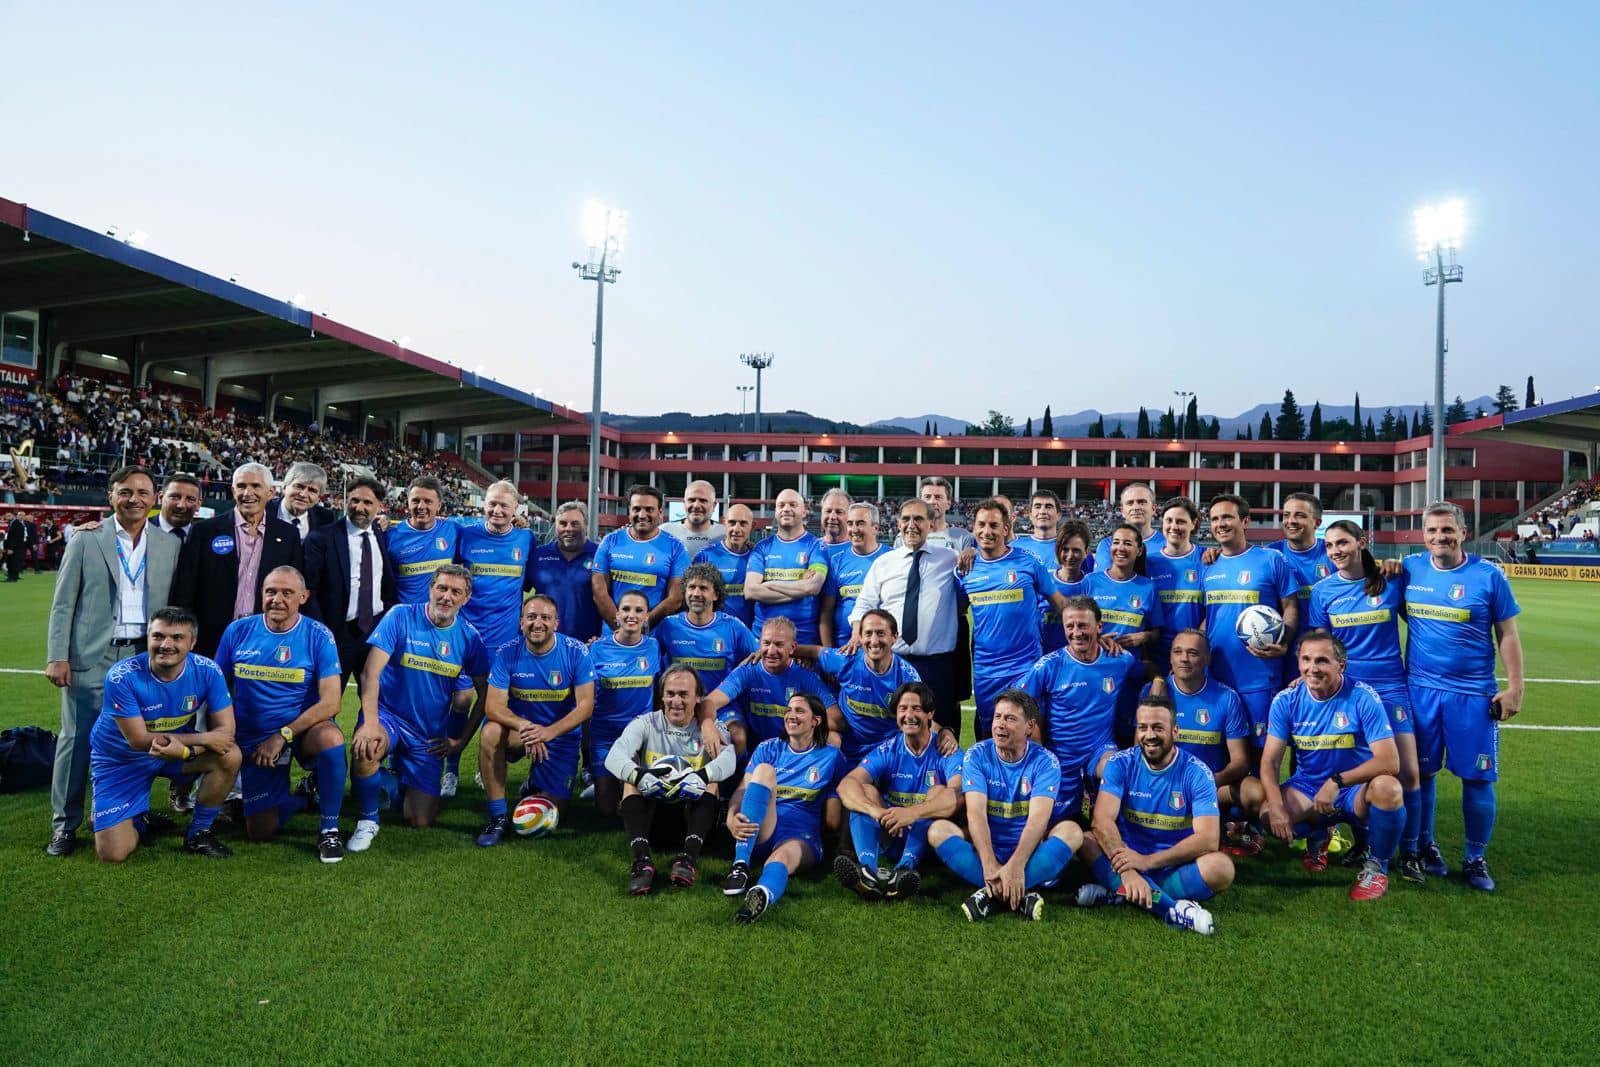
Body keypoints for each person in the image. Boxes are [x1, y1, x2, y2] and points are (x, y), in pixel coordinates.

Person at [44, 466, 181, 857]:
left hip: (145, 656)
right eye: (125, 491)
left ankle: (130, 814)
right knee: (77, 739)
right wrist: (58, 656)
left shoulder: (168, 544)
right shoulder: (87, 539)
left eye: (143, 492)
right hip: (94, 654)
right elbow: (63, 603)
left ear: (155, 499)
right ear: (110, 496)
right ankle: (65, 825)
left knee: (137, 740)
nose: (134, 498)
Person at [1401, 502, 1523, 891]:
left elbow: (1508, 634)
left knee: (1478, 778)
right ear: (1423, 535)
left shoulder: (1489, 576)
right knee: (1421, 773)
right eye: (1433, 530)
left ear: (1463, 533)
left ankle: (1474, 857)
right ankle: (1426, 846)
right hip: (1419, 691)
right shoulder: (1409, 569)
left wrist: (1516, 687)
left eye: (1447, 530)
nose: (1440, 537)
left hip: (1472, 694)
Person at [1243, 630, 1407, 901]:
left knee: (1388, 789)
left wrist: (1337, 781)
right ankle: (1321, 831)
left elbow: (1390, 761)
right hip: (1308, 786)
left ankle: (1376, 867)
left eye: (1322, 660)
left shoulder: (1362, 696)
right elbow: (1270, 762)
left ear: (1340, 665)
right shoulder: (1286, 700)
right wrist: (1278, 809)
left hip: (1354, 789)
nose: (1312, 668)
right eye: (1306, 659)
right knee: (1267, 814)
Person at [1306, 519, 1424, 882]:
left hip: (1390, 689)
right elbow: (1319, 645)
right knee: (1357, 767)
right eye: (1329, 546)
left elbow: (1420, 620)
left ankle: (1412, 852)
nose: (1336, 551)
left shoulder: (1390, 579)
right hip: (1348, 693)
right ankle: (1364, 843)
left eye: (1342, 542)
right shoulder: (1323, 591)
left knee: (1407, 773)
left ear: (1361, 541)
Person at [348, 564, 486, 851]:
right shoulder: (400, 616)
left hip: (428, 734)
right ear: (430, 589)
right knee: (367, 747)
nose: (447, 596)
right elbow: (370, 673)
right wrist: (371, 722)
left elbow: (485, 694)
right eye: (442, 588)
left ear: (466, 599)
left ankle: (391, 781)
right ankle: (368, 820)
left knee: (420, 819)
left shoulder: (470, 638)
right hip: (389, 717)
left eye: (455, 592)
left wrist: (460, 741)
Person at [213, 566, 347, 861]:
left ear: (303, 596)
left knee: (331, 738)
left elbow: (331, 703)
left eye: (287, 593)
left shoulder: (318, 635)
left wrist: (283, 735)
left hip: (300, 731)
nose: (277, 599)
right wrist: (225, 732)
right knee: (260, 832)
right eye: (270, 591)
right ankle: (302, 796)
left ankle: (329, 831)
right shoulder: (238, 630)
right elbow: (215, 686)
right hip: (255, 739)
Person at [88, 607, 242, 862]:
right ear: (148, 638)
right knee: (112, 854)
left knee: (230, 756)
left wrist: (185, 751)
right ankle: (139, 819)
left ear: (192, 642)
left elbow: (226, 733)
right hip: (121, 759)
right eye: (158, 636)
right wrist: (197, 743)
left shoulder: (208, 671)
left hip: (172, 752)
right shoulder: (121, 677)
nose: (165, 645)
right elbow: (138, 740)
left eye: (177, 638)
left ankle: (198, 833)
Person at [1074, 696, 1232, 934]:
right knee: (1085, 840)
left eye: (1158, 727)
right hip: (1126, 858)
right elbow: (1101, 821)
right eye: (1143, 727)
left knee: (1221, 868)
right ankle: (1171, 909)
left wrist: (1148, 862)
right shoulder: (1120, 764)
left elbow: (1208, 839)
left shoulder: (1197, 773)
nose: (1149, 735)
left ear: (1175, 731)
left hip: (1173, 862)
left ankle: (1120, 893)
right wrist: (1129, 871)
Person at [927, 690, 1081, 922]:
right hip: (986, 848)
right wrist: (989, 864)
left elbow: (1038, 821)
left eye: (1010, 719)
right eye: (998, 717)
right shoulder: (977, 755)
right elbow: (976, 815)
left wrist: (1017, 865)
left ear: (1029, 726)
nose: (1000, 724)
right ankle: (1019, 893)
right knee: (938, 831)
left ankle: (991, 893)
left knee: (1073, 832)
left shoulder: (1046, 762)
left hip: (1030, 852)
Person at [474, 594, 595, 846]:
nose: (537, 623)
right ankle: (497, 817)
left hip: (559, 737)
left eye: (545, 618)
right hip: (521, 732)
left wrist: (549, 732)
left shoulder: (576, 652)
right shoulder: (507, 653)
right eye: (531, 617)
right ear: (521, 622)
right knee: (491, 733)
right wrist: (526, 727)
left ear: (556, 624)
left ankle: (535, 783)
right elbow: (492, 706)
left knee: (554, 809)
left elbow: (586, 706)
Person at [605, 664, 736, 893]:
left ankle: (688, 859)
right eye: (670, 694)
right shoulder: (645, 723)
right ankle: (642, 862)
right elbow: (614, 756)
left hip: (692, 821)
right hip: (652, 818)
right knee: (629, 780)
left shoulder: (711, 728)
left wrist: (702, 775)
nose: (676, 701)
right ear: (662, 696)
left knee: (712, 782)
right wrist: (640, 775)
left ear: (698, 698)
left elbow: (730, 759)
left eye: (684, 694)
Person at [723, 693, 847, 924]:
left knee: (780, 860)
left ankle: (761, 894)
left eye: (800, 711)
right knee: (764, 771)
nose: (791, 715)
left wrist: (834, 843)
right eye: (789, 710)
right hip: (760, 829)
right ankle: (740, 865)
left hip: (800, 836)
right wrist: (731, 816)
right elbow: (742, 789)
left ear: (816, 721)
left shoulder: (832, 758)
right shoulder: (768, 748)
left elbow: (832, 819)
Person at [835, 681, 963, 900]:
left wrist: (913, 812)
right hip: (891, 830)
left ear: (930, 713)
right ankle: (867, 871)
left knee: (938, 791)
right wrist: (876, 811)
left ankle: (905, 869)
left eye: (917, 709)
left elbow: (957, 797)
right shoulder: (888, 749)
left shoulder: (947, 749)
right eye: (903, 709)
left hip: (928, 839)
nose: (909, 715)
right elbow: (846, 784)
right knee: (863, 790)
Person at [1018, 597, 1143, 814]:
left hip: (1100, 749)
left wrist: (1159, 681)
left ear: (1099, 627)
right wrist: (1037, 751)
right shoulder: (1049, 665)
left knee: (1116, 768)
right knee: (1055, 824)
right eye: (1070, 626)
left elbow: (1146, 671)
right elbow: (1020, 702)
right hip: (1061, 757)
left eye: (1083, 625)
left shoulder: (1119, 659)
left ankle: (1103, 815)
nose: (1077, 632)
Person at [959, 498, 1070, 740]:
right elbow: (957, 612)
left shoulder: (1028, 562)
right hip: (986, 670)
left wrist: (1091, 635)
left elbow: (1061, 605)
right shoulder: (965, 569)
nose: (986, 531)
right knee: (991, 736)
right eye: (981, 525)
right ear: (973, 528)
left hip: (1025, 665)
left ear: (1006, 529)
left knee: (1030, 732)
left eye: (994, 525)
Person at [849, 499, 962, 736]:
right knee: (894, 730)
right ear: (898, 524)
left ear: (931, 524)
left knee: (941, 733)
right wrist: (856, 634)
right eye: (906, 519)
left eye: (919, 519)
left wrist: (970, 551)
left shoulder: (951, 559)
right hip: (895, 663)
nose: (912, 525)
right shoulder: (884, 563)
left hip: (937, 664)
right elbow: (864, 604)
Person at [173, 461, 304, 658]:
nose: (247, 493)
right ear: (233, 491)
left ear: (271, 492)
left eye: (255, 486)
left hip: (266, 637)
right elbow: (186, 589)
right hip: (211, 638)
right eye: (242, 486)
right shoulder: (204, 531)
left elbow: (294, 589)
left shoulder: (288, 534)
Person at [1201, 494, 1298, 748]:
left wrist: (1284, 640)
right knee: (1219, 757)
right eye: (1214, 519)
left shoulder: (1270, 560)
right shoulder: (1207, 564)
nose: (1220, 523)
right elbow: (1207, 618)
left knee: (1261, 759)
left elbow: (1290, 606)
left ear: (1245, 521)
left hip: (1258, 677)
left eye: (1227, 517)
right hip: (1214, 679)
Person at [804, 608, 939, 762]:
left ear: (894, 637)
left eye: (881, 634)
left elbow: (922, 718)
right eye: (868, 634)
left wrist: (944, 733)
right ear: (860, 638)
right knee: (829, 740)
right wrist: (792, 654)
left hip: (885, 750)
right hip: (847, 742)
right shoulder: (847, 660)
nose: (874, 641)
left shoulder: (907, 676)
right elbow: (815, 651)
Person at [303, 475, 396, 695]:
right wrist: (323, 634)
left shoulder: (381, 535)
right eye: (354, 500)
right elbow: (309, 590)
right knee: (325, 701)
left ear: (379, 507)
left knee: (376, 701)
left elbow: (386, 582)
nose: (359, 507)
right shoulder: (321, 537)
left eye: (367, 503)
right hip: (337, 633)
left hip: (375, 631)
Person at [702, 617, 838, 753]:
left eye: (779, 645)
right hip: (756, 747)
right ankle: (736, 772)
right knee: (732, 734)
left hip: (792, 746)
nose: (771, 651)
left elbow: (837, 719)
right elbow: (710, 702)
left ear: (792, 648)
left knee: (832, 739)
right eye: (766, 643)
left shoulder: (805, 674)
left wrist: (799, 724)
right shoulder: (748, 669)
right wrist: (707, 724)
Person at [1144, 631, 1251, 797]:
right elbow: (1139, 752)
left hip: (1211, 786)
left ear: (1207, 659)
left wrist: (1210, 781)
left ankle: (1237, 821)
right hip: (1163, 785)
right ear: (1170, 658)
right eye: (1177, 652)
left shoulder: (1226, 697)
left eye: (1192, 653)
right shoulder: (1153, 693)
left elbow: (1240, 761)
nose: (1184, 658)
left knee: (1254, 792)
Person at [585, 590, 661, 818]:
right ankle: (604, 782)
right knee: (606, 810)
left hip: (638, 736)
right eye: (626, 609)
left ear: (647, 616)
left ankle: (625, 781)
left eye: (639, 610)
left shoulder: (654, 646)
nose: (632, 615)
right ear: (617, 615)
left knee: (636, 808)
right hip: (604, 734)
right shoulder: (596, 649)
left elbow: (659, 690)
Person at [652, 562, 757, 696]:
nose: (696, 593)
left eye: (703, 588)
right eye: (691, 587)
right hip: (679, 704)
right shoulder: (668, 625)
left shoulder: (733, 626)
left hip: (721, 707)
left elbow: (758, 655)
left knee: (734, 719)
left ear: (716, 595)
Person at [592, 484, 687, 631]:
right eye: (636, 509)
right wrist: (619, 628)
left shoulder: (676, 547)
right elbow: (599, 591)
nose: (642, 515)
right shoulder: (610, 541)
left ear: (660, 512)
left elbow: (676, 598)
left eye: (649, 509)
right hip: (613, 635)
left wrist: (644, 626)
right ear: (629, 511)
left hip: (653, 637)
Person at [744, 488, 831, 645]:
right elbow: (751, 591)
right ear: (776, 511)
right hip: (762, 642)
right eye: (781, 505)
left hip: (803, 642)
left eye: (792, 504)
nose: (786, 509)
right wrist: (799, 589)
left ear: (804, 512)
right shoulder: (761, 548)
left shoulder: (817, 546)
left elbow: (813, 587)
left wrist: (769, 584)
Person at [1073, 522, 1165, 654]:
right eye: (1116, 542)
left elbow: (1156, 632)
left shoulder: (1148, 587)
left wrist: (1144, 637)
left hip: (1130, 667)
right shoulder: (1090, 581)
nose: (1120, 548)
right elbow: (1074, 623)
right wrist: (1095, 639)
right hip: (1093, 663)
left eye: (1127, 543)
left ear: (1139, 551)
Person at [526, 501, 601, 643]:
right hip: (545, 644)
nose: (568, 529)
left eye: (575, 523)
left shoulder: (600, 555)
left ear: (586, 525)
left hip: (588, 644)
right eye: (563, 523)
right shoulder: (538, 555)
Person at [818, 501, 889, 648]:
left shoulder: (892, 557)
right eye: (850, 524)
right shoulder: (836, 562)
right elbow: (826, 614)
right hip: (844, 648)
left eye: (860, 523)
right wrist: (830, 654)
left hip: (883, 649)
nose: (854, 529)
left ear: (875, 528)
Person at [1146, 497, 1206, 667]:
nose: (1174, 527)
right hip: (1155, 654)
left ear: (1193, 523)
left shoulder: (1207, 560)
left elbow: (1213, 609)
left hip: (1192, 655)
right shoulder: (1148, 563)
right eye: (1169, 521)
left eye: (1180, 521)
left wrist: (1196, 643)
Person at [386, 475, 460, 605]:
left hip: (441, 616)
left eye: (428, 501)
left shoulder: (452, 529)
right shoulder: (390, 535)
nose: (421, 506)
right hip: (407, 618)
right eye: (415, 501)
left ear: (439, 505)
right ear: (408, 503)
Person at [693, 502, 755, 627]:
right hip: (714, 631)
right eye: (732, 523)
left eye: (743, 524)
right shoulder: (706, 556)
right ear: (724, 523)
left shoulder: (758, 557)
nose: (736, 529)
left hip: (749, 631)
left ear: (752, 527)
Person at [1041, 519, 1092, 654]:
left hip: (1079, 663)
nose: (1070, 556)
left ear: (1086, 552)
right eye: (1065, 549)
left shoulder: (1093, 585)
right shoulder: (1043, 582)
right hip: (1045, 661)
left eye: (1076, 550)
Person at [1094, 483, 1165, 572]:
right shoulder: (1107, 544)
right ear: (1122, 511)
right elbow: (1104, 582)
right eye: (1130, 503)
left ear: (1153, 508)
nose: (1135, 507)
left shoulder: (1167, 544)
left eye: (1141, 502)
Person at [660, 479, 725, 560]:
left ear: (714, 505)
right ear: (684, 503)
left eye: (703, 500)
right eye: (691, 500)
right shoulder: (665, 532)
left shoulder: (725, 534)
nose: (696, 505)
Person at [276, 461, 338, 542]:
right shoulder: (263, 511)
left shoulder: (326, 518)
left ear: (319, 497)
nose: (303, 494)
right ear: (284, 487)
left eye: (312, 490)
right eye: (299, 486)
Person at [910, 476, 975, 552]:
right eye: (927, 497)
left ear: (948, 504)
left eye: (938, 497)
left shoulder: (963, 537)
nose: (932, 502)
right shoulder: (905, 537)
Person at [1012, 489, 1062, 574]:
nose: (1042, 511)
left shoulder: (1073, 548)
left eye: (1048, 507)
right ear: (1030, 515)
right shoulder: (1013, 548)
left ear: (1059, 515)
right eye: (1038, 507)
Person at [154, 473, 204, 547]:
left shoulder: (206, 537)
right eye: (175, 497)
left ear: (198, 504)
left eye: (190, 499)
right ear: (161, 498)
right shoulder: (139, 530)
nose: (181, 505)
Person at [4, 508, 33, 581]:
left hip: (15, 547)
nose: (7, 517)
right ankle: (13, 576)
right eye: (6, 516)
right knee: (12, 562)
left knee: (13, 562)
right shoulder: (14, 523)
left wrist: (11, 548)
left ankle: (12, 578)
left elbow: (15, 538)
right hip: (14, 546)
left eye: (9, 516)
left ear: (13, 516)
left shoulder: (17, 524)